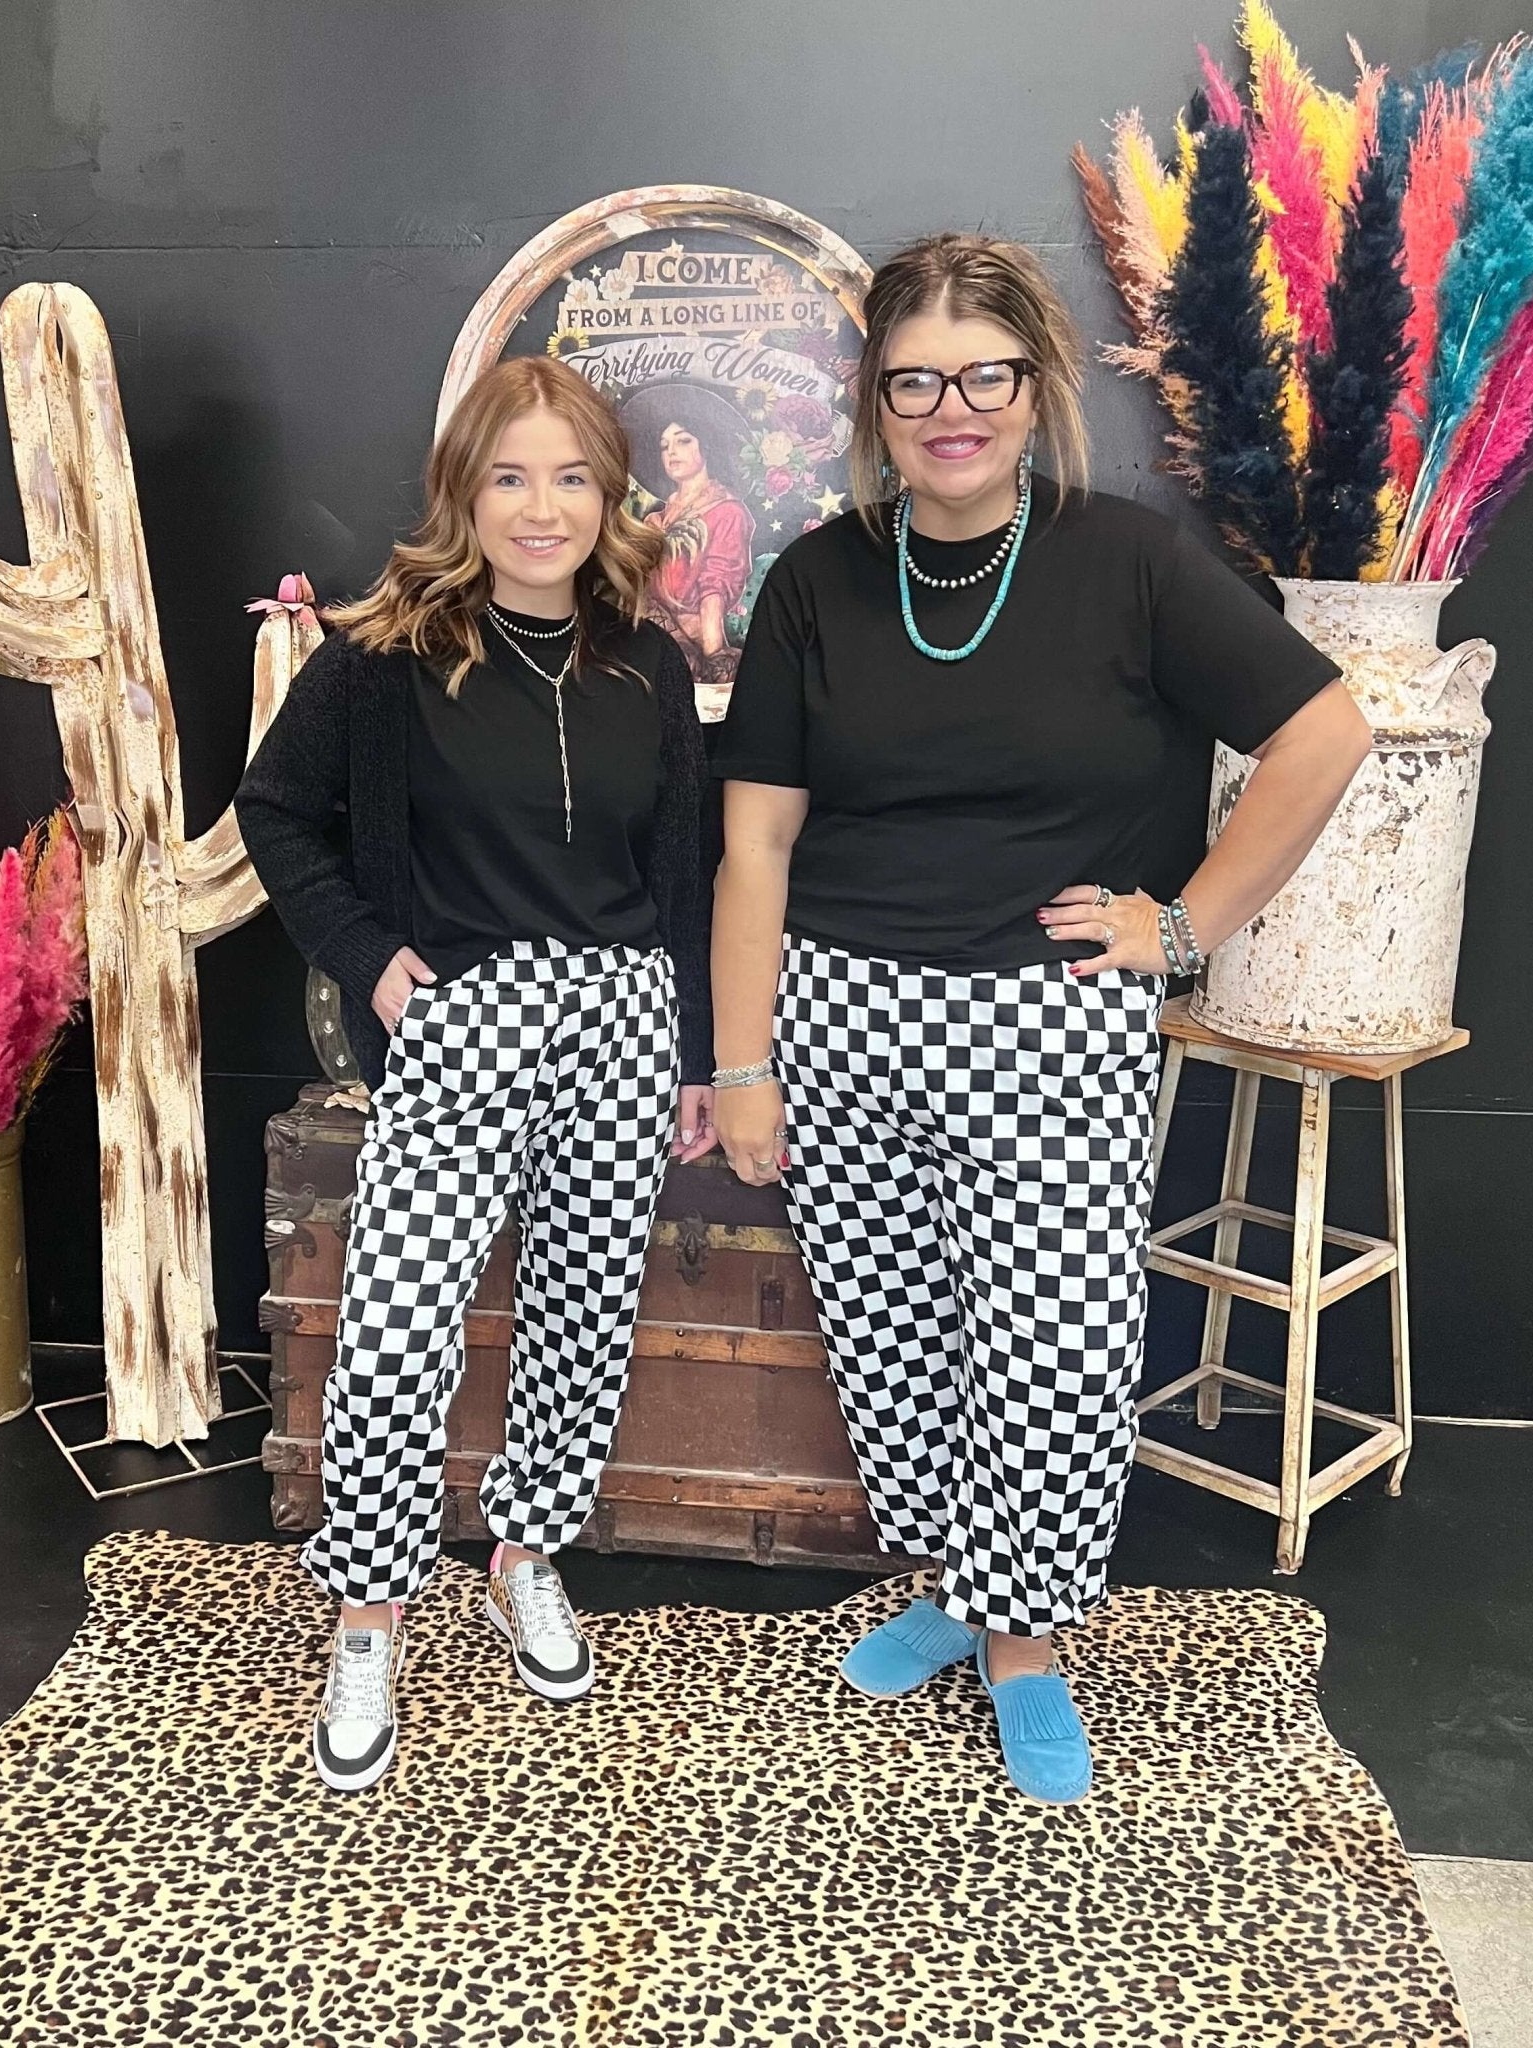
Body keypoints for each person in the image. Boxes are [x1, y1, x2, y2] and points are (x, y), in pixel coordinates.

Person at [707, 233, 1371, 1804]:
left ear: (1036, 383)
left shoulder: (1127, 563)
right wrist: (742, 1063)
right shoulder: (815, 578)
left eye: (984, 376)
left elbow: (1326, 733)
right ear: (874, 400)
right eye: (915, 381)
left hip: (1050, 1023)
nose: (952, 410)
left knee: (1054, 1353)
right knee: (889, 1340)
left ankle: (1027, 1643)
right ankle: (960, 1587)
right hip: (841, 1014)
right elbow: (756, 845)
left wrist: (1183, 928)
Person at [236, 355, 717, 1793]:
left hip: (623, 1018)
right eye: (510, 475)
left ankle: (523, 1556)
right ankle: (369, 1620)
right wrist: (371, 957)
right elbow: (276, 808)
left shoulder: (646, 662)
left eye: (570, 476)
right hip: (466, 1014)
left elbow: (681, 874)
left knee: (582, 1318)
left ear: (610, 495)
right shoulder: (384, 653)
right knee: (397, 1325)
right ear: (463, 490)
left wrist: (694, 1052)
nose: (541, 507)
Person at [622, 385, 757, 699]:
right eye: (664, 445)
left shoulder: (727, 512)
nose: (671, 451)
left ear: (705, 446)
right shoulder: (655, 521)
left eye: (683, 440)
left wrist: (713, 654)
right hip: (652, 631)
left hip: (701, 637)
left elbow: (715, 586)